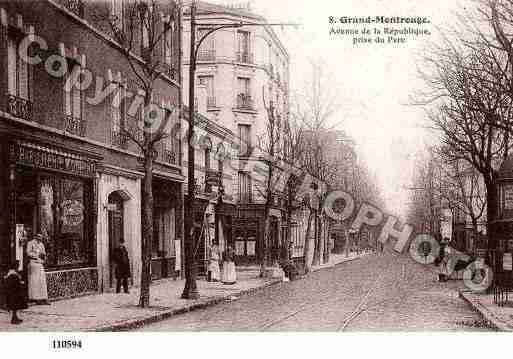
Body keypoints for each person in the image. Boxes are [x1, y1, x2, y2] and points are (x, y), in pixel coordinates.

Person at [26, 233, 49, 305]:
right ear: (35, 237)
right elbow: (28, 252)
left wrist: (44, 257)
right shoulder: (30, 243)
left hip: (40, 264)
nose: (40, 239)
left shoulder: (41, 244)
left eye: (41, 237)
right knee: (34, 281)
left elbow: (44, 253)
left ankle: (43, 298)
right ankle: (35, 298)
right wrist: (36, 255)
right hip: (33, 264)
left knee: (41, 281)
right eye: (38, 237)